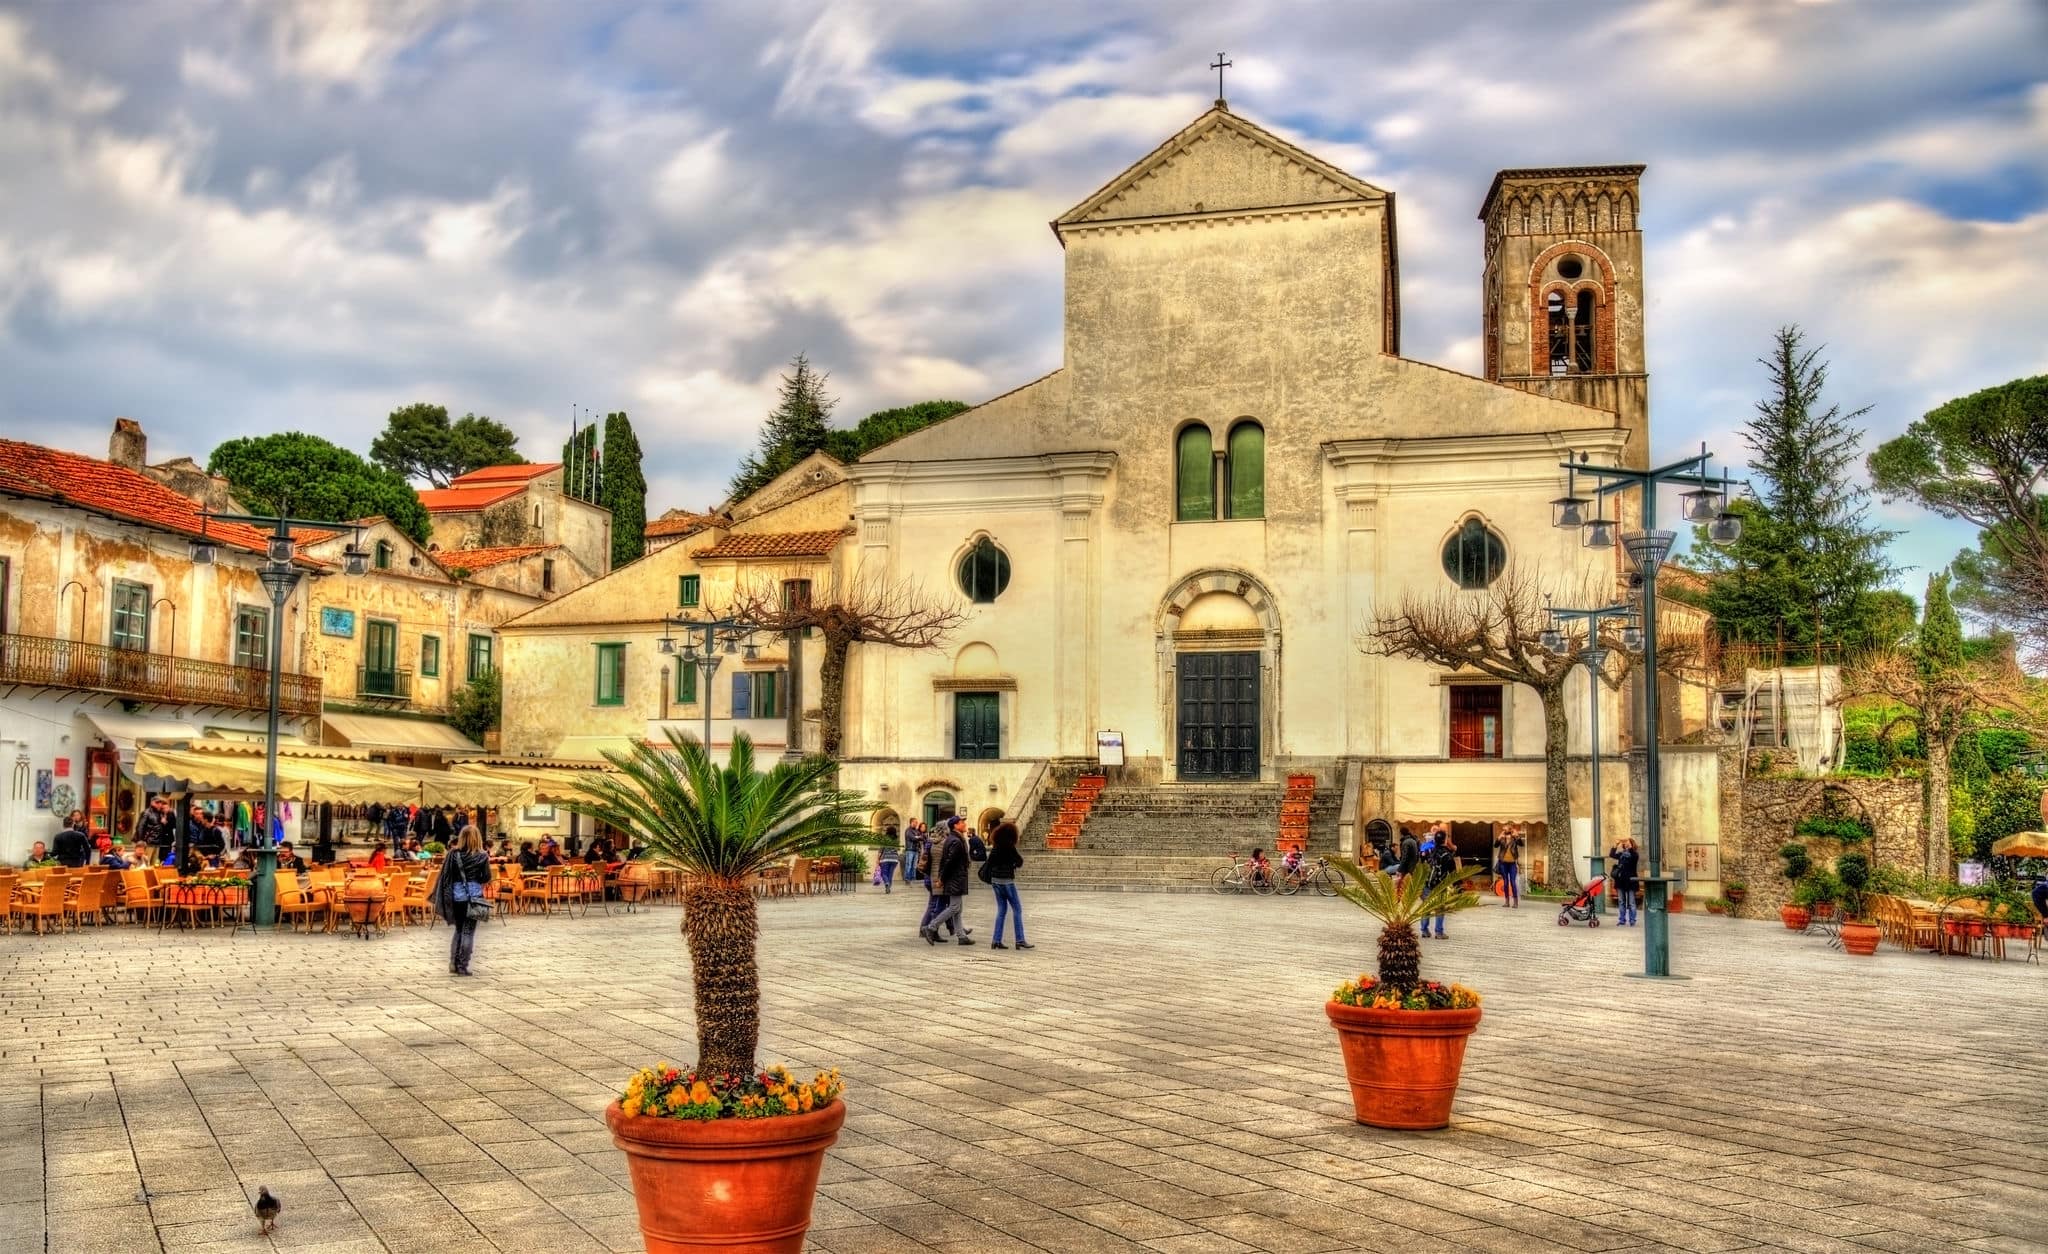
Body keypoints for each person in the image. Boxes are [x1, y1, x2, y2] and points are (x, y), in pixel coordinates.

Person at [435, 824, 494, 976]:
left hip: (456, 896)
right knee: (468, 931)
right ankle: (463, 965)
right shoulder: (482, 856)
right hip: (474, 897)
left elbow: (447, 875)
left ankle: (453, 963)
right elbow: (486, 877)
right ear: (477, 838)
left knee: (459, 929)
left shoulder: (453, 854)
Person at [923, 817, 973, 945]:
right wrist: (941, 879)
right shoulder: (955, 841)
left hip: (955, 878)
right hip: (955, 878)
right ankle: (931, 927)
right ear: (955, 825)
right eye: (962, 822)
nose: (964, 824)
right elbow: (949, 862)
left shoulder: (953, 839)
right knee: (954, 907)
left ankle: (961, 936)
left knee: (958, 908)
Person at [986, 821, 1032, 950]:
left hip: (995, 881)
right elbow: (1019, 861)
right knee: (1017, 909)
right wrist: (1012, 864)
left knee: (1001, 910)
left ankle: (996, 940)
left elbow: (989, 863)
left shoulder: (995, 847)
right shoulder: (1010, 847)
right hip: (1007, 881)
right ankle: (1020, 940)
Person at [1422, 830, 1459, 939]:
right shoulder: (1447, 855)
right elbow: (1453, 873)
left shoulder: (1429, 851)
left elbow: (1422, 862)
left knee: (1426, 907)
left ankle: (1424, 930)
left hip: (1427, 883)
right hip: (1440, 884)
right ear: (1445, 840)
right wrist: (1457, 886)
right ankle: (1438, 932)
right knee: (1440, 908)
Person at [1608, 837, 1641, 926]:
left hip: (1631, 881)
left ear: (1632, 844)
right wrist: (1616, 845)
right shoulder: (1621, 854)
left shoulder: (1634, 854)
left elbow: (1633, 857)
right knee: (1621, 901)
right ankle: (1622, 920)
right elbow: (1611, 854)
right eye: (1625, 843)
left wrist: (1629, 847)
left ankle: (1632, 920)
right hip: (1620, 881)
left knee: (1631, 902)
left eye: (1628, 842)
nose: (1626, 843)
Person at [135, 794, 175, 864]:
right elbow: (140, 826)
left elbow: (169, 824)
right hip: (149, 842)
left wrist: (168, 812)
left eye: (160, 803)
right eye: (157, 802)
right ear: (152, 802)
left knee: (154, 863)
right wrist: (141, 841)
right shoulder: (147, 812)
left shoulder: (159, 813)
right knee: (146, 861)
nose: (159, 804)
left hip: (157, 842)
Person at [1493, 824, 1524, 909]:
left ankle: (1515, 902)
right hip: (1503, 863)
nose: (1504, 831)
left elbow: (1521, 844)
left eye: (1506, 829)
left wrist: (1517, 836)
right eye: (1503, 829)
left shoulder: (1514, 838)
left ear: (1510, 830)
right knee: (1506, 882)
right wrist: (1499, 837)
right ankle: (1507, 902)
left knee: (1513, 882)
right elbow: (1495, 845)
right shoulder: (1502, 838)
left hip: (1512, 863)